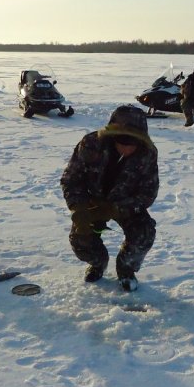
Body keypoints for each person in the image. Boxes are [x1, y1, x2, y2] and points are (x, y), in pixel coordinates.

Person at [60, 105, 158, 292]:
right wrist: (79, 209)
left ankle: (126, 269)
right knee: (80, 240)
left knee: (144, 232)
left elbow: (148, 193)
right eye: (122, 141)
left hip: (125, 205)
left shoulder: (148, 154)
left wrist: (115, 208)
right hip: (91, 203)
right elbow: (71, 179)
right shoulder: (90, 144)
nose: (127, 148)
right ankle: (98, 263)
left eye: (133, 143)